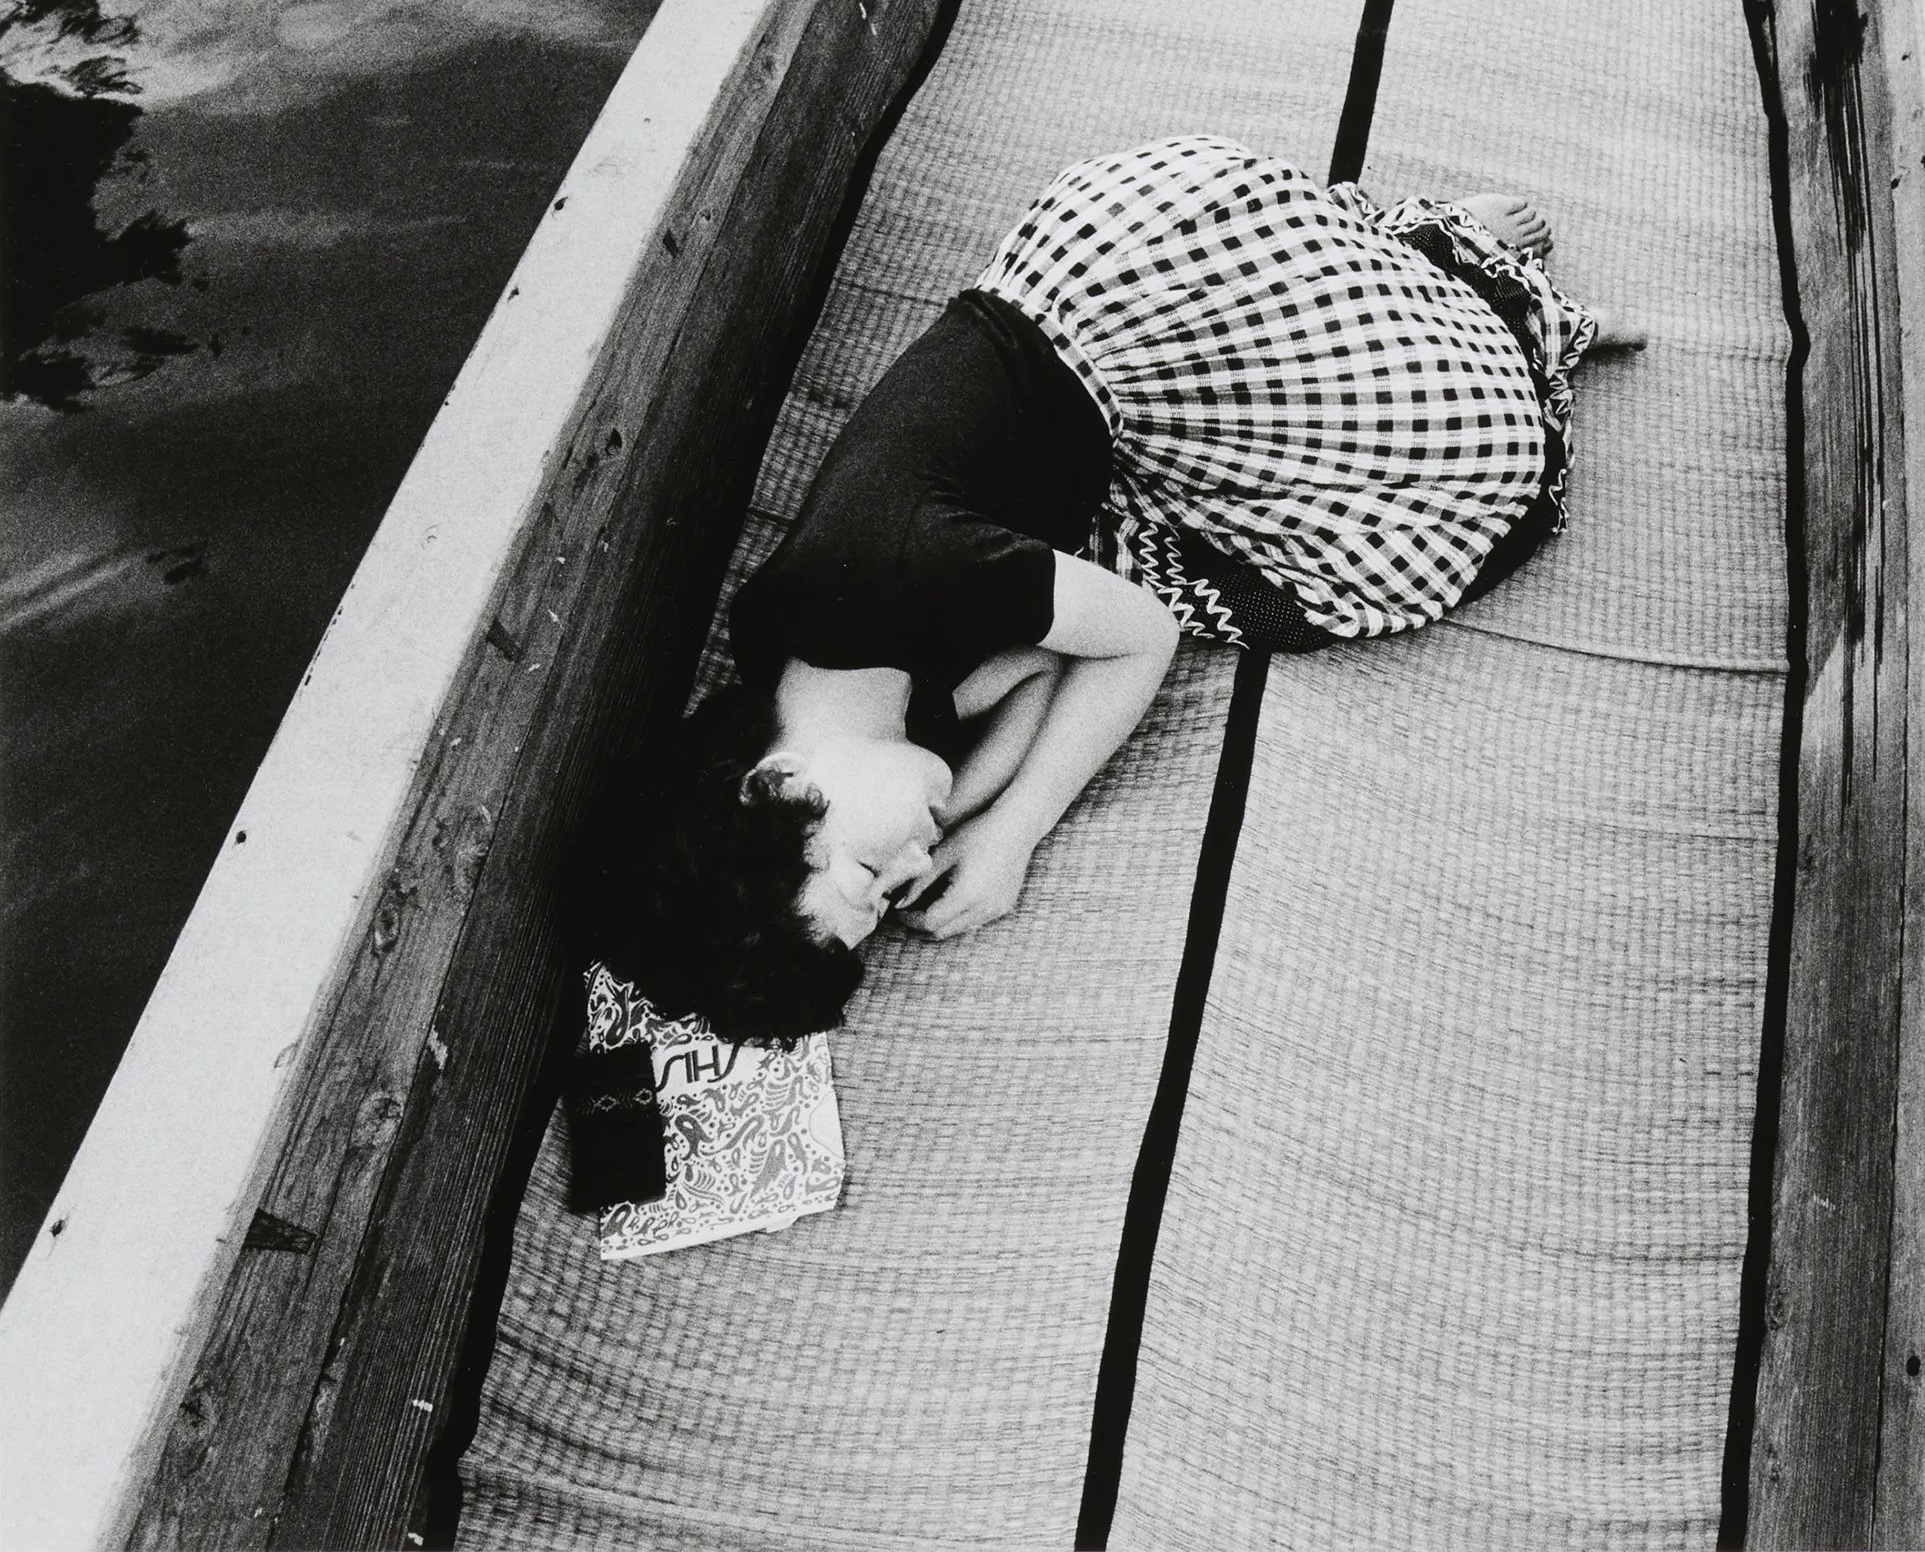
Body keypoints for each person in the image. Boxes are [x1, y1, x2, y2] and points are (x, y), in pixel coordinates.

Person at [587, 135, 1641, 1045]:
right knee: (1311, 550)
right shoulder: (826, 692)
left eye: (870, 873)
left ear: (770, 789)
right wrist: (965, 809)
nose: (907, 859)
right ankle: (1429, 291)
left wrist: (1013, 833)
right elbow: (1044, 665)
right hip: (1115, 403)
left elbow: (1138, 637)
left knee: (1474, 470)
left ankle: (1466, 276)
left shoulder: (875, 575)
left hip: (1146, 282)